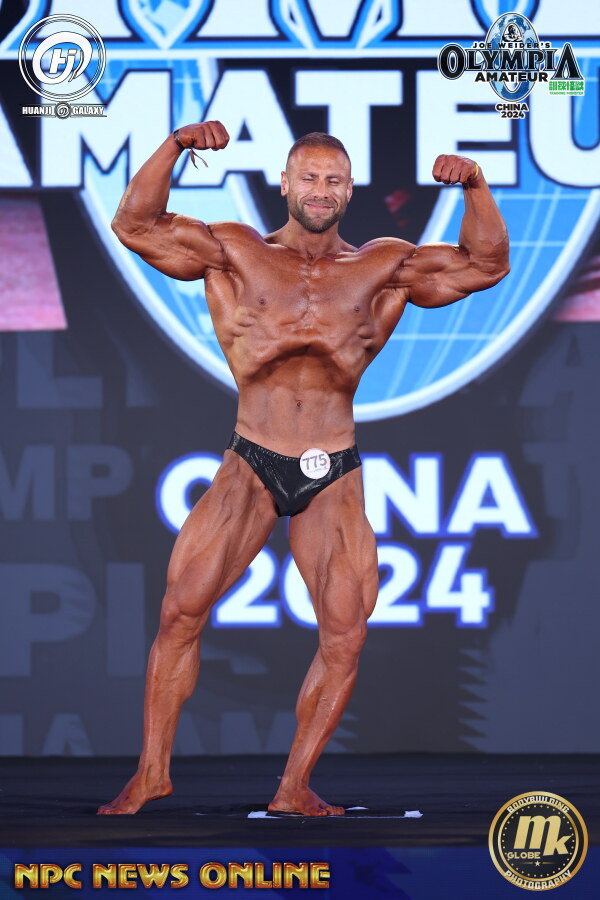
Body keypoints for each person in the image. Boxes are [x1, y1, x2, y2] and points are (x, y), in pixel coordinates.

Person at [98, 122, 509, 816]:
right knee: (180, 610)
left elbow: (486, 264)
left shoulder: (384, 265)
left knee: (345, 633)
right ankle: (151, 773)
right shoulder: (234, 251)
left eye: (333, 180)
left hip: (333, 466)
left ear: (350, 191)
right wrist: (176, 145)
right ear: (284, 184)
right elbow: (135, 224)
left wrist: (473, 184)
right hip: (252, 456)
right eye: (309, 178)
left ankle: (294, 786)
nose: (321, 190)